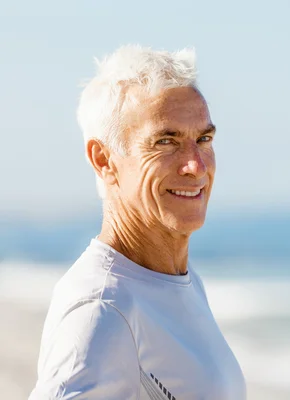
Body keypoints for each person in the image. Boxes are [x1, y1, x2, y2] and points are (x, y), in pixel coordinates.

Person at [29, 45, 246, 400]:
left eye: (203, 139)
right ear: (104, 160)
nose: (197, 165)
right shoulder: (101, 311)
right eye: (166, 141)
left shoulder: (180, 281)